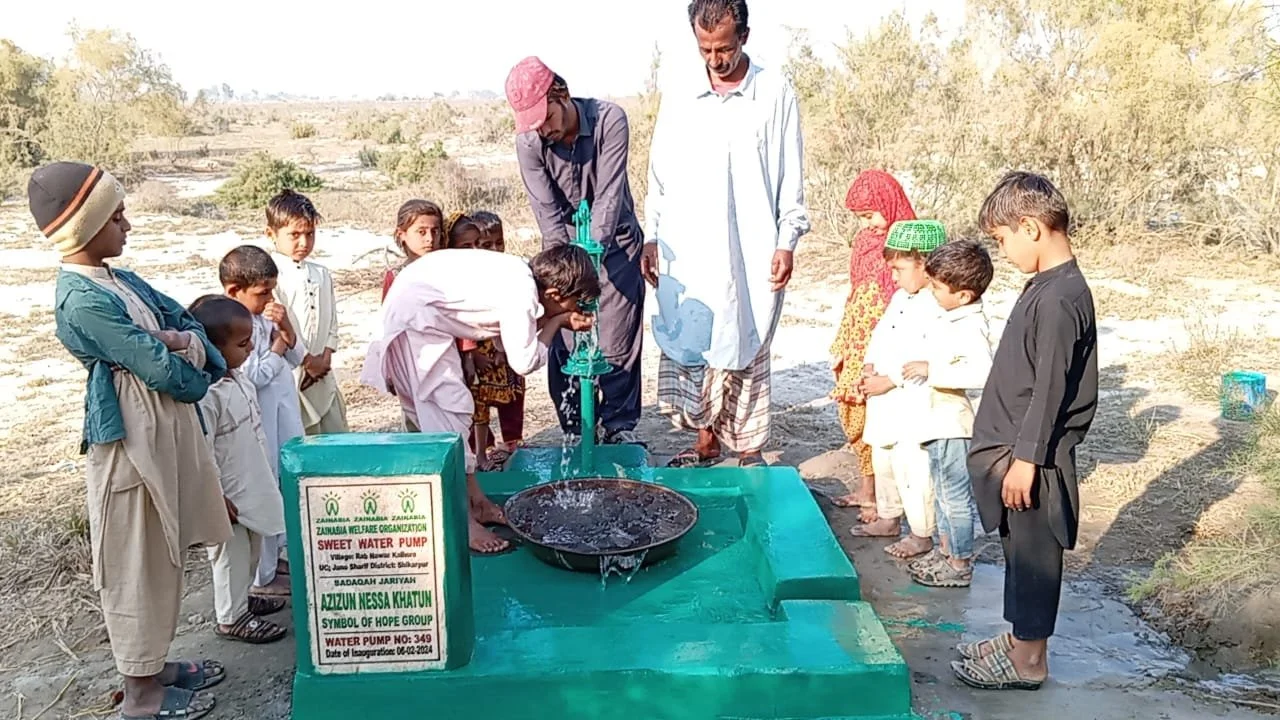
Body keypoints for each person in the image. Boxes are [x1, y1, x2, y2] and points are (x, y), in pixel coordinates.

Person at [35, 161, 229, 720]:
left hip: (164, 426)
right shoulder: (81, 299)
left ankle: (154, 664)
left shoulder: (119, 279)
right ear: (86, 226)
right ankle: (140, 694)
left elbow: (184, 323)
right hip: (130, 440)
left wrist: (182, 343)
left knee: (166, 551)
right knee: (135, 553)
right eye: (117, 217)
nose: (127, 226)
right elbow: (160, 368)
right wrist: (185, 355)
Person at [644, 0, 810, 468]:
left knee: (745, 336)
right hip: (687, 246)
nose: (715, 59)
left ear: (744, 37)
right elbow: (659, 173)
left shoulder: (774, 92)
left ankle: (750, 448)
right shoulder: (681, 92)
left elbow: (790, 174)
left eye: (723, 48)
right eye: (705, 49)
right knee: (695, 338)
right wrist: (652, 236)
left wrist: (787, 240)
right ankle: (705, 440)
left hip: (750, 246)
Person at [951, 172, 1098, 691]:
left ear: (1031, 228)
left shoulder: (1060, 297)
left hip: (1033, 455)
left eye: (1002, 238)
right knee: (1018, 548)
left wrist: (1027, 459)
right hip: (1016, 448)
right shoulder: (1045, 286)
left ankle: (1031, 660)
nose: (1003, 251)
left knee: (1036, 552)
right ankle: (1019, 642)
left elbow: (1050, 389)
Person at [361, 245, 599, 553]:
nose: (575, 308)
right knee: (446, 422)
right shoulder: (521, 293)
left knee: (457, 413)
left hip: (422, 316)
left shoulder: (521, 276)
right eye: (574, 302)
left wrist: (558, 317)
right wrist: (557, 323)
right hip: (414, 323)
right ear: (554, 294)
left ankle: (478, 503)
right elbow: (523, 362)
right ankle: (461, 521)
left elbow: (506, 338)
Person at [506, 56, 646, 446]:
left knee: (617, 338)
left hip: (615, 243)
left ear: (562, 95)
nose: (543, 130)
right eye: (533, 124)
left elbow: (609, 197)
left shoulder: (609, 120)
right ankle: (574, 428)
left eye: (546, 118)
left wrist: (593, 256)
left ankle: (618, 427)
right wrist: (568, 273)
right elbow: (547, 215)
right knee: (565, 334)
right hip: (564, 250)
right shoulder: (529, 142)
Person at [189, 295, 289, 644]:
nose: (250, 350)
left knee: (251, 547)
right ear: (213, 348)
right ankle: (231, 618)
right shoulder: (206, 394)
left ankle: (244, 599)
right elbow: (201, 450)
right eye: (242, 344)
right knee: (230, 555)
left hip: (252, 480)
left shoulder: (239, 379)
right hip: (227, 492)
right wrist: (215, 494)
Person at [900, 240, 994, 589]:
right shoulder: (951, 317)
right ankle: (945, 551)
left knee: (954, 497)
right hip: (935, 421)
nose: (933, 292)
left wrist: (933, 369)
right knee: (941, 493)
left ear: (964, 295)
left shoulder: (971, 326)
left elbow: (981, 372)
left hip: (952, 423)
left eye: (938, 288)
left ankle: (959, 562)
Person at [851, 220, 944, 560]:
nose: (893, 277)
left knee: (912, 471)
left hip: (912, 401)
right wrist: (868, 368)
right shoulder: (901, 297)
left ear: (926, 264)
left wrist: (890, 381)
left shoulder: (939, 304)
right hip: (883, 400)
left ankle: (920, 534)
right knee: (884, 460)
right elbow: (880, 336)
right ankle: (888, 518)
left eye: (900, 269)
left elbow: (930, 356)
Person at [830, 170, 917, 516]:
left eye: (870, 215)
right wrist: (843, 343)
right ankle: (867, 488)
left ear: (888, 203)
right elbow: (856, 293)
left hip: (891, 347)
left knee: (884, 420)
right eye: (861, 218)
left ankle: (886, 501)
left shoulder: (912, 245)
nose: (868, 225)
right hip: (858, 340)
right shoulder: (865, 242)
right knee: (854, 411)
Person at [219, 245, 304, 599]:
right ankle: (262, 577)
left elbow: (297, 355)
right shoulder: (232, 326)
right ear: (234, 291)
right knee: (267, 486)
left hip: (284, 412)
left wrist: (285, 328)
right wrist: (277, 349)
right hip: (260, 420)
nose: (269, 298)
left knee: (284, 482)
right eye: (262, 292)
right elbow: (253, 376)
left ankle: (273, 562)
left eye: (271, 290)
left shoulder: (265, 317)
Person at [266, 190, 349, 435]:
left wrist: (325, 357)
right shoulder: (270, 276)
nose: (303, 243)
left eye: (310, 234)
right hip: (291, 372)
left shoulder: (321, 273)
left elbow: (332, 321)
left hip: (323, 372)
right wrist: (306, 361)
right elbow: (275, 326)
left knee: (334, 433)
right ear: (271, 234)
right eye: (295, 235)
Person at [455, 211, 526, 466]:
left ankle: (512, 440)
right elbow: (461, 319)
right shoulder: (462, 278)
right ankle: (482, 449)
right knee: (479, 402)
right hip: (479, 348)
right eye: (487, 245)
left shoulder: (509, 272)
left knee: (514, 394)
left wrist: (506, 348)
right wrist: (472, 352)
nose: (494, 250)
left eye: (499, 243)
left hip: (507, 344)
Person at [382, 199, 444, 301]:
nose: (430, 239)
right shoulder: (396, 276)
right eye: (421, 232)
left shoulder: (447, 271)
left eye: (435, 232)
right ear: (402, 234)